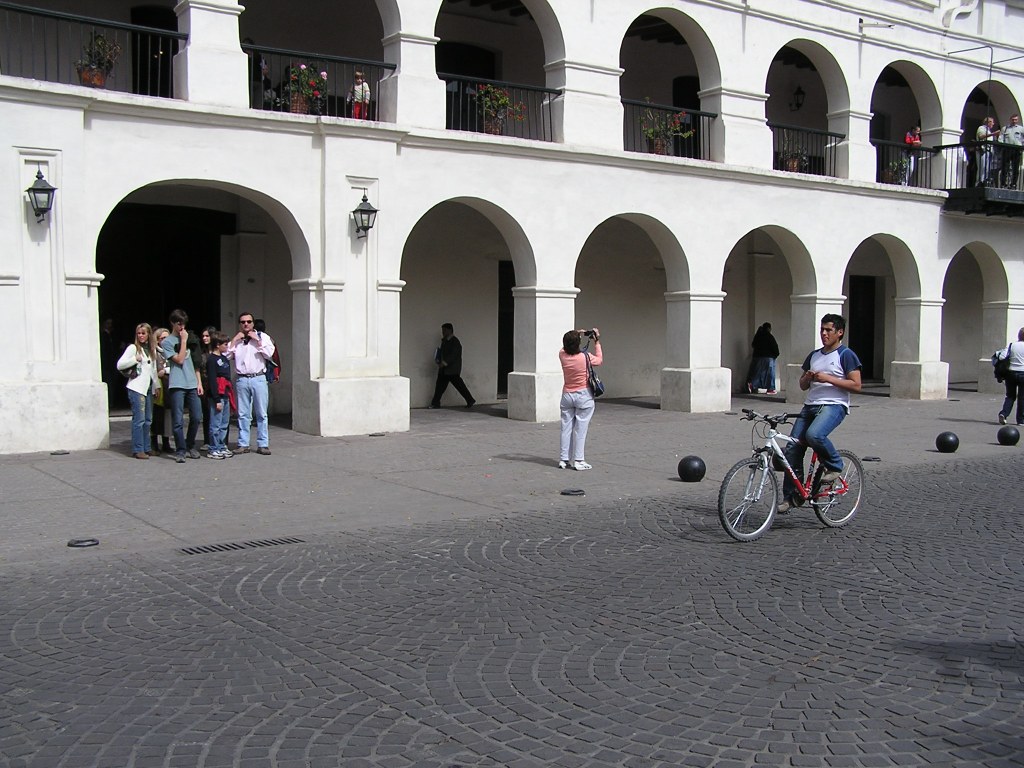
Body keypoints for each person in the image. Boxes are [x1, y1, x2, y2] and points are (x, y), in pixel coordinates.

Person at [777, 314, 862, 514]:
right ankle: (793, 495)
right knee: (792, 448)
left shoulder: (846, 354)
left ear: (839, 332)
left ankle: (834, 465)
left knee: (814, 435)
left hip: (834, 405)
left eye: (828, 330)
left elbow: (856, 385)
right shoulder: (814, 355)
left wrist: (828, 378)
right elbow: (802, 385)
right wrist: (807, 377)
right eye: (822, 330)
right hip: (810, 405)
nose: (823, 334)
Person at [159, 309, 204, 464]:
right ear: (172, 323)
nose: (182, 327)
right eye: (179, 324)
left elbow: (196, 362)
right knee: (177, 420)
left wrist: (199, 382)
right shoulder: (167, 342)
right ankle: (180, 449)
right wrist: (183, 341)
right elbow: (179, 360)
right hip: (177, 383)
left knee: (197, 416)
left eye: (183, 323)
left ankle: (190, 444)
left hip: (192, 382)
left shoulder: (190, 338)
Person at [228, 312, 276, 455]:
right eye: (243, 322)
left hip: (258, 377)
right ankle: (243, 443)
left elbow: (269, 354)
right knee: (243, 414)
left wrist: (258, 341)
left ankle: (263, 444)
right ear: (240, 324)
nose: (246, 324)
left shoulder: (263, 337)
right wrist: (234, 340)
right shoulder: (238, 340)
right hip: (242, 378)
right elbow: (226, 355)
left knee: (261, 413)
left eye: (249, 321)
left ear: (253, 323)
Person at [558, 328, 602, 471]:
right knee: (580, 429)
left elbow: (567, 345)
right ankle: (579, 460)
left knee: (566, 428)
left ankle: (564, 459)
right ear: (578, 343)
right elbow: (600, 360)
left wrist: (577, 332)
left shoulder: (562, 355)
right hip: (583, 395)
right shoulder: (585, 357)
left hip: (567, 395)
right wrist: (597, 341)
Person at [116, 323, 159, 460]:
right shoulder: (133, 348)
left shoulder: (152, 350)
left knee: (148, 420)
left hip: (148, 388)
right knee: (139, 420)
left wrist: (156, 385)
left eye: (143, 333)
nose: (141, 336)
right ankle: (138, 449)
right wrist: (135, 359)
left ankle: (147, 447)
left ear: (148, 334)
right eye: (139, 333)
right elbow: (120, 364)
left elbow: (153, 370)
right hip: (136, 387)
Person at [430, 323, 475, 408]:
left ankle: (470, 399)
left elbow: (453, 355)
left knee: (459, 386)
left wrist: (444, 363)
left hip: (452, 370)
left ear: (450, 330)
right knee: (440, 387)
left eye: (444, 330)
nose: (443, 332)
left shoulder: (455, 342)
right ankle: (435, 403)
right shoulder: (444, 341)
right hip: (445, 370)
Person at [205, 331, 235, 459]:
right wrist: (216, 398)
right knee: (215, 423)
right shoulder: (212, 360)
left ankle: (222, 445)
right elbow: (212, 379)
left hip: (226, 393)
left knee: (224, 423)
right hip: (217, 394)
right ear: (217, 344)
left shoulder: (224, 359)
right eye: (225, 344)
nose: (227, 346)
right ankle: (213, 447)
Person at [994, 327, 1024, 426]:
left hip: (1010, 373)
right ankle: (1021, 420)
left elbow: (1002, 357)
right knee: (1022, 397)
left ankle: (1004, 413)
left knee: (1010, 396)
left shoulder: (1012, 345)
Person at [151, 327, 172, 454]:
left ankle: (166, 442)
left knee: (168, 415)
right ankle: (154, 442)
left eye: (166, 337)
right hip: (159, 386)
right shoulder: (154, 352)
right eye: (162, 338)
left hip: (170, 385)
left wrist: (165, 371)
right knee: (157, 415)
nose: (164, 340)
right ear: (157, 340)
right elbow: (154, 371)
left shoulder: (171, 351)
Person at [747, 322, 780, 394]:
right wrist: (776, 354)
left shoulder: (758, 336)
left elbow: (753, 345)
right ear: (769, 328)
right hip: (768, 357)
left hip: (757, 357)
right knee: (770, 374)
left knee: (757, 373)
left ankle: (753, 385)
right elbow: (775, 347)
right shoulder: (769, 336)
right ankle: (770, 388)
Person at [1000, 114, 1024, 189]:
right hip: (1007, 149)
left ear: (1018, 120)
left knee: (1015, 168)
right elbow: (1001, 138)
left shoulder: (1021, 129)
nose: (1014, 121)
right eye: (1013, 119)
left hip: (1016, 150)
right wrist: (1002, 145)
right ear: (1010, 120)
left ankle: (1013, 184)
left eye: (1015, 120)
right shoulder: (1005, 128)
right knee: (1005, 167)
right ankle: (1003, 183)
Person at [976, 116, 1000, 186]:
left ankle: (984, 182)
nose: (993, 124)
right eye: (992, 122)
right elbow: (981, 136)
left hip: (989, 151)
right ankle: (979, 183)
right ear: (988, 122)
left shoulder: (988, 130)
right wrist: (993, 134)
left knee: (986, 169)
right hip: (982, 151)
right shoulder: (981, 128)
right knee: (982, 168)